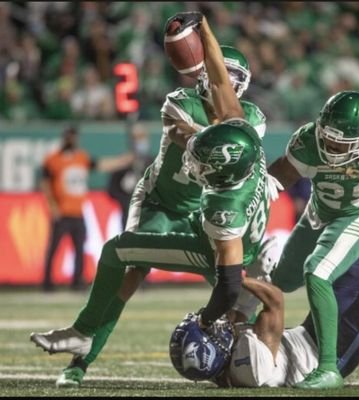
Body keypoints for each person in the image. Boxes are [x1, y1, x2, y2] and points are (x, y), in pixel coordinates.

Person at [30, 12, 274, 388]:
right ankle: (81, 361)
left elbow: (232, 144)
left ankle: (244, 362)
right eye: (225, 74)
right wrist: (215, 133)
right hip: (161, 201)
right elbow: (181, 132)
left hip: (205, 213)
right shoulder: (180, 101)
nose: (229, 83)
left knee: (233, 289)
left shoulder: (252, 119)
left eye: (234, 78)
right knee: (131, 272)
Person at [266, 90, 359, 388]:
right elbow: (280, 175)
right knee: (282, 280)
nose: (331, 144)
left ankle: (328, 368)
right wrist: (258, 190)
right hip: (319, 213)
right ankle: (244, 327)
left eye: (341, 141)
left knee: (317, 272)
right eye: (327, 136)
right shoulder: (309, 141)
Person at [169, 246, 359, 388]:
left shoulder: (223, 364)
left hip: (311, 332)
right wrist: (236, 278)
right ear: (209, 352)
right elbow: (275, 300)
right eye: (208, 331)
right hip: (329, 355)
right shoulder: (248, 367)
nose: (214, 326)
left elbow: (236, 314)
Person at [41, 125, 134, 291]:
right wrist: (52, 205)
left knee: (79, 248)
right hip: (62, 212)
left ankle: (77, 281)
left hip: (77, 211)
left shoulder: (81, 158)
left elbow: (101, 165)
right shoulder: (53, 159)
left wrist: (122, 161)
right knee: (53, 248)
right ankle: (47, 282)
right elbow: (45, 183)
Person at [107, 122, 153, 229]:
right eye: (136, 138)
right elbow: (112, 190)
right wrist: (126, 201)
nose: (140, 141)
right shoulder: (122, 163)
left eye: (142, 137)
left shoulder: (154, 163)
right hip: (129, 219)